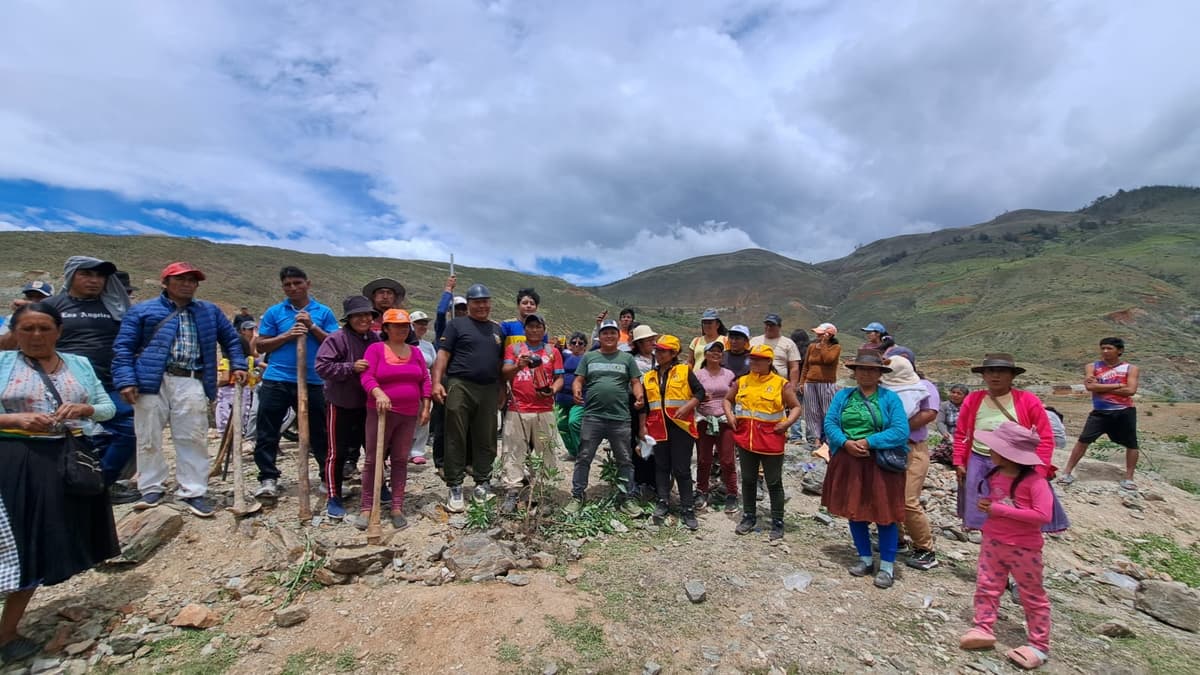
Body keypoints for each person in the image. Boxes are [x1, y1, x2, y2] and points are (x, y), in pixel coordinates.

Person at [0, 303, 119, 664]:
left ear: (59, 331)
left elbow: (106, 407)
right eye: (28, 329)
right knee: (14, 543)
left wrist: (85, 410)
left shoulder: (78, 365)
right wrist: (14, 419)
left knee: (38, 543)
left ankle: (6, 633)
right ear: (14, 333)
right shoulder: (3, 364)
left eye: (44, 329)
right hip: (12, 460)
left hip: (66, 460)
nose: (36, 337)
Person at [112, 262, 246, 517]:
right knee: (148, 434)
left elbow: (230, 339)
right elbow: (124, 347)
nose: (187, 284)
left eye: (192, 280)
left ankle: (193, 490)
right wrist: (125, 380)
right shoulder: (142, 310)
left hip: (191, 378)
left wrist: (238, 364)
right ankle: (151, 487)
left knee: (193, 436)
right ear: (165, 283)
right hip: (151, 379)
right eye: (180, 279)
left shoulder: (210, 312)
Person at [5, 258, 138, 505]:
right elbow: (15, 341)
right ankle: (55, 486)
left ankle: (99, 483)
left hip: (107, 383)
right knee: (57, 435)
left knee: (129, 429)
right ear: (70, 276)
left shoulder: (115, 306)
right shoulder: (51, 306)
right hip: (57, 382)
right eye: (86, 274)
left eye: (100, 276)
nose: (94, 280)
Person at [958, 422, 1054, 670]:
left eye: (994, 448)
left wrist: (999, 509)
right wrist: (989, 504)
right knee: (987, 585)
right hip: (993, 540)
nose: (990, 451)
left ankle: (1039, 645)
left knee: (1032, 595)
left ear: (1007, 454)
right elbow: (999, 499)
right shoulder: (997, 475)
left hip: (1024, 547)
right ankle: (983, 627)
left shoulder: (1035, 482)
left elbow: (1043, 515)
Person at [821, 349, 910, 588]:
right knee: (855, 510)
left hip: (880, 463)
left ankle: (888, 567)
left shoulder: (889, 399)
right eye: (862, 369)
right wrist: (845, 442)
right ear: (855, 372)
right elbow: (829, 422)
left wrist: (869, 442)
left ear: (880, 373)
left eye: (872, 369)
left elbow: (901, 431)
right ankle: (865, 558)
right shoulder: (844, 396)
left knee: (885, 514)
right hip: (850, 460)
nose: (866, 373)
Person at [953, 354, 1069, 535]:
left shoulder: (1028, 400)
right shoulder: (973, 399)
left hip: (1014, 463)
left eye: (1001, 372)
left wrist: (1039, 469)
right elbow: (961, 433)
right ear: (983, 376)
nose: (995, 376)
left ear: (1012, 376)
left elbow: (1045, 438)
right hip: (978, 459)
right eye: (990, 371)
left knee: (1015, 502)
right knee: (980, 501)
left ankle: (1015, 537)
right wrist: (959, 461)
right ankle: (986, 536)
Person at [252, 266, 339, 500]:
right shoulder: (274, 312)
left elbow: (334, 344)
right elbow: (260, 345)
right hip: (277, 378)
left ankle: (326, 478)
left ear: (307, 284)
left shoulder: (323, 312)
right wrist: (288, 335)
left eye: (297, 283)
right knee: (268, 430)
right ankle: (268, 478)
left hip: (314, 380)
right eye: (287, 284)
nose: (292, 288)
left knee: (321, 432)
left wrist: (311, 326)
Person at [431, 283, 505, 512]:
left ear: (490, 303)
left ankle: (482, 483)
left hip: (489, 387)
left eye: (485, 301)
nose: (482, 306)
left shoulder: (497, 330)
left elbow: (500, 363)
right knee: (456, 435)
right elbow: (442, 356)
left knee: (487, 437)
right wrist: (436, 382)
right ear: (470, 304)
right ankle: (455, 486)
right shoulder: (456, 325)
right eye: (477, 302)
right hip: (460, 384)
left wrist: (503, 388)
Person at [357, 309, 431, 530]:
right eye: (395, 326)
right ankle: (366, 507)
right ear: (386, 328)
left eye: (404, 326)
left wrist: (426, 405)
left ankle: (397, 506)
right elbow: (366, 376)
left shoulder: (415, 352)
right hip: (380, 412)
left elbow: (424, 380)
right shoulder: (375, 349)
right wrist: (378, 393)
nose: (401, 329)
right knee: (373, 459)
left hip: (408, 413)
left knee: (400, 459)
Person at [314, 295, 381, 520]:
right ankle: (334, 496)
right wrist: (350, 368)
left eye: (367, 314)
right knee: (336, 452)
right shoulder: (336, 339)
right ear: (348, 318)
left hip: (369, 404)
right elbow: (322, 367)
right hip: (340, 403)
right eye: (358, 315)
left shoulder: (377, 340)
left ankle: (379, 487)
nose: (363, 319)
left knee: (374, 449)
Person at [567, 319, 643, 516]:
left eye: (612, 333)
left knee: (625, 460)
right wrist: (576, 389)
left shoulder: (626, 359)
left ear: (619, 336)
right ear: (599, 336)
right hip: (593, 417)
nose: (609, 336)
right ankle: (577, 496)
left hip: (620, 418)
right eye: (605, 333)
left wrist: (639, 394)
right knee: (584, 457)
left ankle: (626, 497)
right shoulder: (589, 357)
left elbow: (635, 381)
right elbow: (579, 379)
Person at [726, 344, 802, 540]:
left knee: (774, 482)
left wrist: (786, 424)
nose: (755, 362)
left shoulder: (780, 384)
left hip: (771, 441)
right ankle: (749, 516)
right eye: (752, 358)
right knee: (749, 480)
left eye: (759, 359)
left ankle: (777, 522)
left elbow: (795, 407)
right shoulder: (742, 381)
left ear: (769, 361)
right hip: (746, 441)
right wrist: (730, 416)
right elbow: (727, 400)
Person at [881, 347, 941, 571]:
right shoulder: (886, 386)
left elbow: (930, 413)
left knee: (908, 499)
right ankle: (897, 540)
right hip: (888, 447)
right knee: (888, 495)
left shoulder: (925, 387)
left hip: (912, 448)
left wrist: (897, 428)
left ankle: (925, 548)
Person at [499, 313, 564, 514]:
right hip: (518, 408)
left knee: (547, 451)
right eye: (530, 326)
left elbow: (560, 378)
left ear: (544, 329)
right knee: (513, 450)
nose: (534, 330)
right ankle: (513, 490)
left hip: (544, 409)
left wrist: (552, 390)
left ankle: (544, 492)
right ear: (524, 329)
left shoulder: (552, 351)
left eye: (538, 326)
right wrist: (519, 365)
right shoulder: (515, 349)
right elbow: (504, 373)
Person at [1058, 337, 1140, 490]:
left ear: (1120, 350)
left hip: (1124, 411)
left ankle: (1129, 478)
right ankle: (1067, 472)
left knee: (1131, 444)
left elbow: (1131, 390)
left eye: (1109, 348)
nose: (1105, 351)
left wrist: (1101, 386)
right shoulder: (1092, 366)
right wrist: (1119, 385)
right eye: (1102, 348)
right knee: (1083, 440)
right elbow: (1090, 387)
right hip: (1100, 412)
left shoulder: (1130, 368)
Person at [641, 335, 704, 529]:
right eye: (657, 351)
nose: (658, 354)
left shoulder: (685, 371)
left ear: (673, 353)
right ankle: (663, 502)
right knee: (661, 466)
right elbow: (644, 405)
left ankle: (687, 508)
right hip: (657, 427)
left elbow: (699, 392)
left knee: (681, 469)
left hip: (681, 428)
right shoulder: (649, 376)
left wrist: (688, 406)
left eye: (663, 351)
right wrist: (643, 427)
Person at [695, 340, 738, 513]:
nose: (716, 354)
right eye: (712, 351)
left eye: (719, 351)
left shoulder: (729, 375)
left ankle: (732, 493)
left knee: (727, 459)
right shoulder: (698, 375)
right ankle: (701, 491)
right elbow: (691, 394)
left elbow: (735, 395)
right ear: (705, 355)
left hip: (724, 420)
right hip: (704, 420)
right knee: (704, 459)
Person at [430, 276, 467, 472]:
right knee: (442, 421)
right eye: (457, 308)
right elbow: (439, 312)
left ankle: (465, 460)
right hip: (445, 377)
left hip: (464, 380)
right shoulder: (445, 328)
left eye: (463, 308)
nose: (460, 312)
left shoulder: (470, 330)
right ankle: (441, 462)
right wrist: (447, 290)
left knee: (465, 421)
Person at [627, 323, 658, 496]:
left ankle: (652, 481)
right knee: (637, 443)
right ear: (639, 343)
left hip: (653, 406)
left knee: (652, 442)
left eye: (653, 339)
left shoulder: (657, 358)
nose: (652, 342)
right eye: (648, 340)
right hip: (635, 404)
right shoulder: (633, 361)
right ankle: (638, 480)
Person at [800, 323, 841, 447]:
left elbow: (828, 359)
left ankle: (828, 438)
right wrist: (802, 382)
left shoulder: (835, 347)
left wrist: (823, 344)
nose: (817, 335)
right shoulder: (812, 347)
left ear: (829, 335)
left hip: (826, 383)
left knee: (827, 411)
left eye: (821, 334)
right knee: (812, 411)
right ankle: (816, 438)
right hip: (810, 382)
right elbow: (806, 365)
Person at [408, 310, 436, 465]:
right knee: (405, 418)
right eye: (419, 323)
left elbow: (434, 365)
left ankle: (417, 450)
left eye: (425, 324)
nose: (422, 326)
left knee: (423, 417)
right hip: (409, 384)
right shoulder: (404, 344)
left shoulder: (428, 346)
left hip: (425, 384)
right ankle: (401, 449)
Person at [555, 331, 589, 459]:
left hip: (579, 399)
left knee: (574, 422)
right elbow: (553, 351)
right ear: (569, 345)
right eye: (573, 342)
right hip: (562, 398)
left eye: (580, 343)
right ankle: (572, 452)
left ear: (585, 346)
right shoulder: (564, 356)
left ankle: (582, 453)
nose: (577, 345)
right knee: (561, 425)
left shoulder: (587, 358)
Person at [750, 313, 801, 388]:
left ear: (779, 327)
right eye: (767, 325)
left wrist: (793, 386)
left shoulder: (788, 343)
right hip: (755, 383)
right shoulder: (754, 341)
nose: (768, 327)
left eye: (772, 325)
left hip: (779, 385)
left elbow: (794, 367)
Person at [933, 384, 969, 465]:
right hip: (950, 438)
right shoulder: (944, 405)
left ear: (965, 396)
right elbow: (940, 422)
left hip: (965, 438)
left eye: (959, 393)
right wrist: (945, 433)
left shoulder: (969, 406)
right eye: (953, 392)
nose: (955, 395)